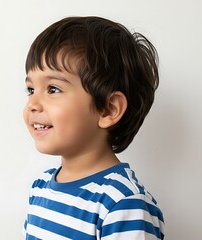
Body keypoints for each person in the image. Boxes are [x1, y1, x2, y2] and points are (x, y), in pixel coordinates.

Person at [22, 16, 165, 239]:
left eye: (53, 89)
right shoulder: (40, 188)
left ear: (108, 110)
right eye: (31, 90)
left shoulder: (122, 204)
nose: (32, 104)